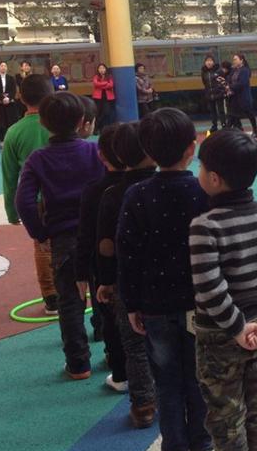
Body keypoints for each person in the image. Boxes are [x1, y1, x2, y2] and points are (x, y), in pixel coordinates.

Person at [191, 130, 257, 451]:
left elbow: (209, 287)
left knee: (225, 414)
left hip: (220, 336)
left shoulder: (204, 226)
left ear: (214, 178)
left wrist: (237, 329)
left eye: (201, 167)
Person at [117, 108, 214, 451]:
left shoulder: (137, 195)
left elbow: (127, 255)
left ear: (147, 150)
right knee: (200, 378)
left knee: (167, 381)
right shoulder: (204, 191)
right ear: (192, 147)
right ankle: (200, 446)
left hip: (155, 306)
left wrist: (131, 304)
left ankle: (173, 449)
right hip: (200, 303)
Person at [15, 92, 105, 379]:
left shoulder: (38, 159)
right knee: (105, 289)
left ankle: (78, 363)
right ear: (82, 121)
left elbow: (24, 201)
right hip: (97, 234)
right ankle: (110, 346)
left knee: (69, 300)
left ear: (43, 123)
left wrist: (39, 232)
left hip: (63, 237)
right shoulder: (94, 152)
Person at [94, 122, 158, 428]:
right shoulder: (166, 186)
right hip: (169, 279)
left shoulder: (113, 195)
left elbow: (106, 245)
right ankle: (180, 397)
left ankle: (144, 404)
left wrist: (105, 280)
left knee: (134, 344)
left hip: (127, 280)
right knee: (174, 339)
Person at [75, 123, 127, 390]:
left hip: (106, 270)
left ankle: (120, 373)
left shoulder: (95, 191)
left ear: (101, 156)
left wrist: (81, 272)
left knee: (111, 320)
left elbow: (86, 236)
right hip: (143, 268)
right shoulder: (144, 185)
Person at [1, 74, 56, 314]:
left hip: (37, 201)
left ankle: (51, 296)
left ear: (20, 98)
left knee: (42, 246)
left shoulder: (14, 132)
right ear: (51, 94)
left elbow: (10, 176)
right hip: (69, 195)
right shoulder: (60, 124)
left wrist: (12, 211)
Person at [228, 54, 257, 138]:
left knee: (249, 114)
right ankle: (234, 131)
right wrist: (228, 87)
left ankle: (255, 131)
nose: (234, 61)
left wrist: (230, 87)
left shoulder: (245, 70)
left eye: (236, 59)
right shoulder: (233, 70)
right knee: (232, 115)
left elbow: (242, 83)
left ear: (241, 60)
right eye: (233, 59)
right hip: (234, 97)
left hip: (244, 96)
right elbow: (229, 79)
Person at [0, 61, 19, 143]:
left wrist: (9, 98)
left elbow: (13, 90)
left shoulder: (11, 78)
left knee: (11, 121)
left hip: (10, 103)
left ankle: (11, 140)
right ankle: (2, 140)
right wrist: (2, 98)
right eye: (1, 66)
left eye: (5, 66)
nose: (3, 67)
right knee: (1, 123)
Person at [201, 55, 223, 132]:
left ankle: (224, 124)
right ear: (205, 62)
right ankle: (214, 126)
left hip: (218, 93)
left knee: (221, 110)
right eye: (207, 61)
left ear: (213, 62)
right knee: (212, 111)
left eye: (210, 60)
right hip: (209, 94)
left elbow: (222, 81)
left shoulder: (218, 70)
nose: (209, 62)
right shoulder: (203, 72)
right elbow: (204, 82)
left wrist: (220, 90)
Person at [92, 63, 116, 131]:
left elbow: (111, 85)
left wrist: (101, 85)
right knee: (98, 113)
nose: (102, 70)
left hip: (107, 98)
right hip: (98, 98)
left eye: (103, 68)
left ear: (106, 69)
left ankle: (104, 127)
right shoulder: (96, 76)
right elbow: (96, 84)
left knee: (106, 112)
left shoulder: (109, 76)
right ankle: (96, 128)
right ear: (98, 70)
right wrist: (105, 83)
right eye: (100, 68)